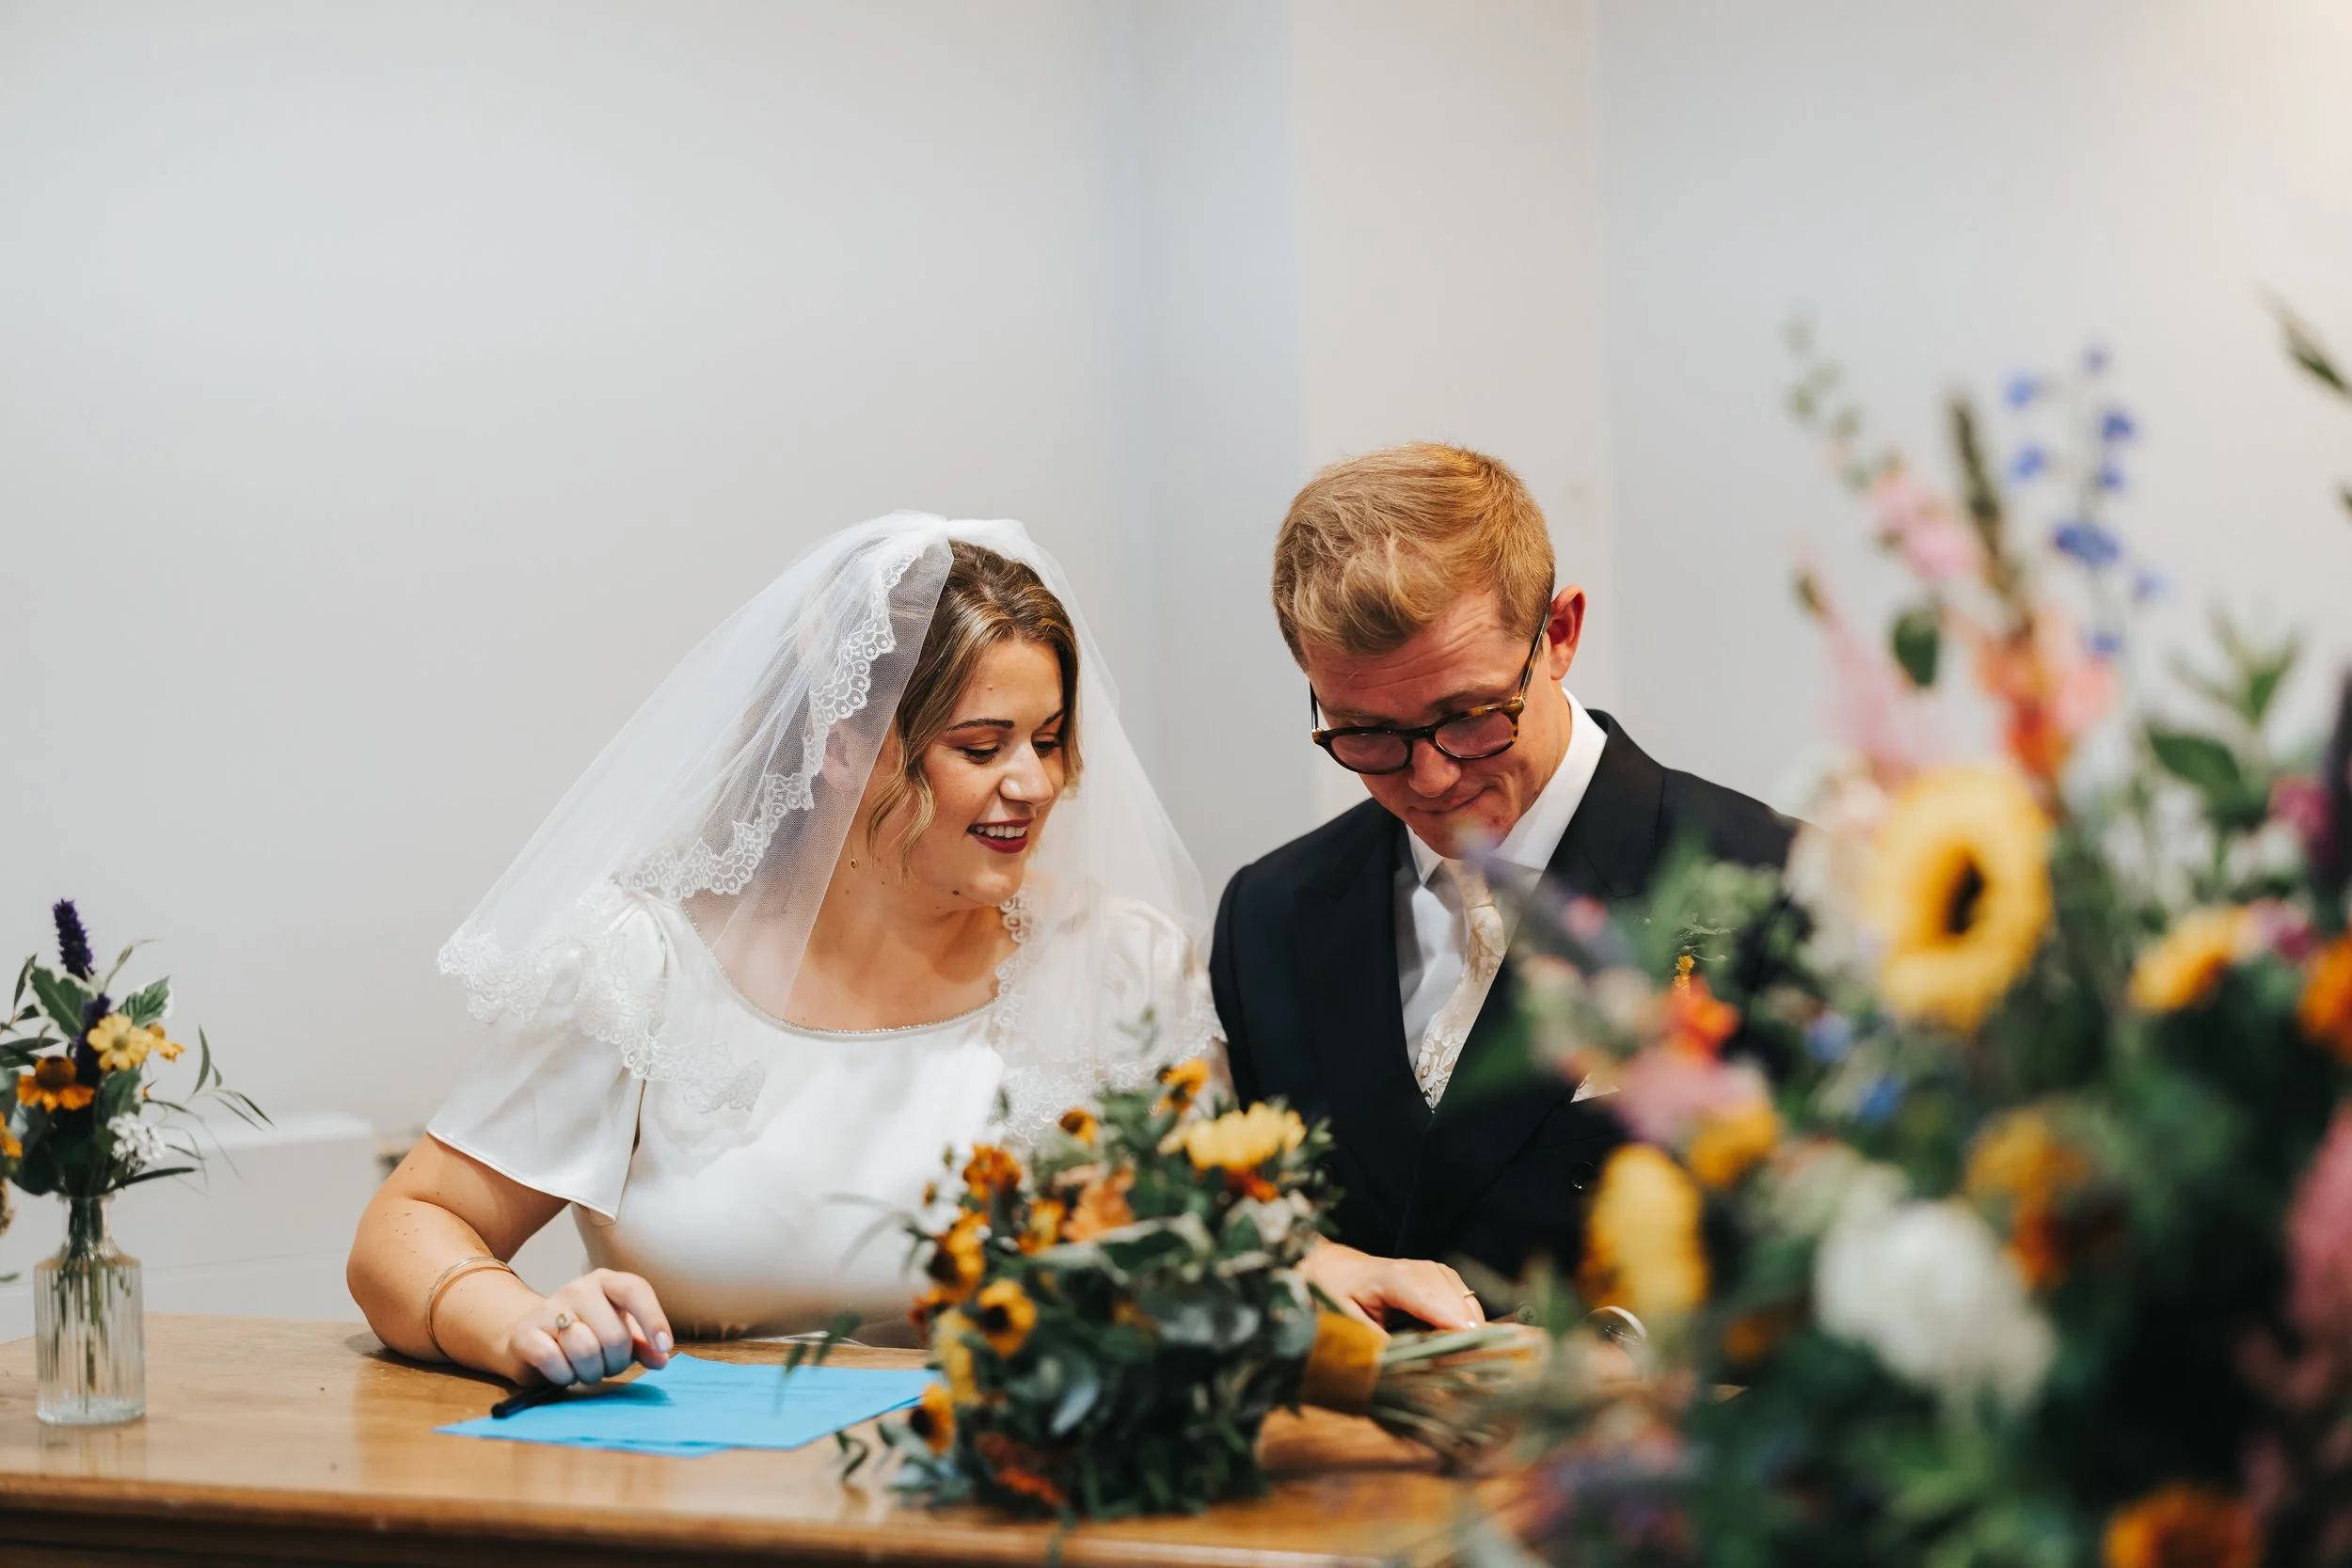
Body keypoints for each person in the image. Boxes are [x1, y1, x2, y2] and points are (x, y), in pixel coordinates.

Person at [348, 515, 1214, 1389]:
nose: (1033, 784)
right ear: (841, 747)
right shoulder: (643, 962)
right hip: (697, 1489)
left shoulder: (1119, 964)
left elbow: (1224, 1257)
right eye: (981, 747)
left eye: (1051, 739)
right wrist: (522, 1322)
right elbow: (409, 1223)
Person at [1221, 444, 1795, 1326]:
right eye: (1365, 734)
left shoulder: (1771, 884)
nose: (1433, 778)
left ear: (1558, 634)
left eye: (1471, 717)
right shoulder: (1268, 914)